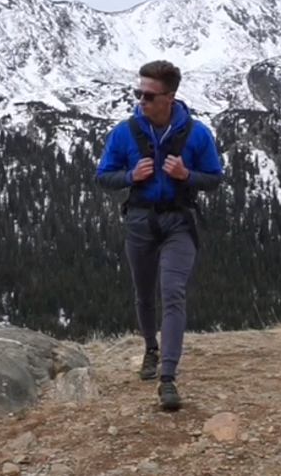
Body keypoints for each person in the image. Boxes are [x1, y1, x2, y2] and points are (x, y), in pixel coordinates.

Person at [94, 59, 224, 410]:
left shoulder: (196, 134)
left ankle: (168, 377)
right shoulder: (124, 133)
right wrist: (129, 177)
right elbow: (102, 176)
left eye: (148, 95)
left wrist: (186, 176)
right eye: (138, 93)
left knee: (173, 292)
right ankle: (150, 347)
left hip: (179, 222)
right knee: (144, 293)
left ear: (170, 96)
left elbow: (214, 178)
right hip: (139, 221)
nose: (141, 101)